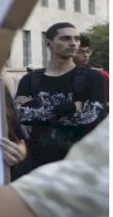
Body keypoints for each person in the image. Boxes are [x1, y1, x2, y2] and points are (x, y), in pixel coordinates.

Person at [14, 22, 106, 170]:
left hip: (80, 164)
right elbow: (21, 116)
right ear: (49, 43)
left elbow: (91, 118)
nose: (73, 43)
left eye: (76, 39)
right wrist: (72, 106)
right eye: (66, 39)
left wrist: (36, 108)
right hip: (38, 163)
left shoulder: (92, 78)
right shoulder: (31, 79)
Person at [74, 33, 109, 102]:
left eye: (88, 51)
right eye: (80, 51)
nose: (86, 55)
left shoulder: (101, 74)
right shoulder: (62, 74)